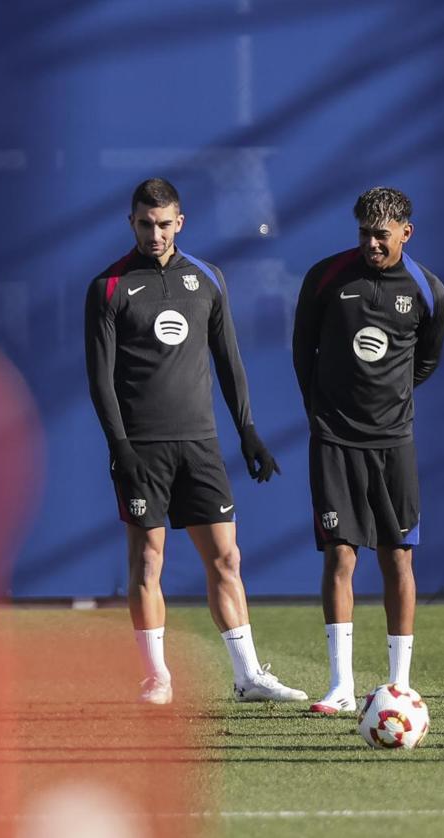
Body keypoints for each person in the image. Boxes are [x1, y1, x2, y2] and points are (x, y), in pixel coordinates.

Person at [85, 177, 306, 705]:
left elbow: (228, 362)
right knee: (147, 560)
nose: (155, 233)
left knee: (226, 559)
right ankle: (157, 677)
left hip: (200, 445)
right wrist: (121, 449)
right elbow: (100, 378)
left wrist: (248, 430)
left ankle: (249, 677)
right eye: (145, 223)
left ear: (180, 222)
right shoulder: (110, 287)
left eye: (164, 224)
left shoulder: (208, 278)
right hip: (142, 446)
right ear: (131, 221)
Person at [292, 187, 444, 714]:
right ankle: (339, 685)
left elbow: (426, 360)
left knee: (397, 557)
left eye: (381, 235)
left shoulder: (428, 290)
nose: (371, 244)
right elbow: (302, 350)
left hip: (393, 442)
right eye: (364, 233)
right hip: (334, 439)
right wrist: (322, 410)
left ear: (406, 231)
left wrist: (392, 399)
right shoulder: (326, 278)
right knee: (340, 555)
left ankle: (399, 685)